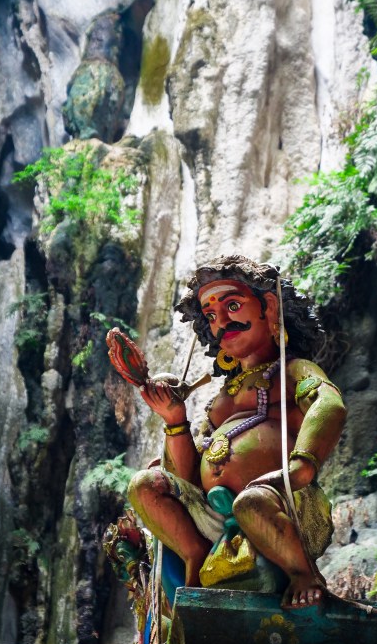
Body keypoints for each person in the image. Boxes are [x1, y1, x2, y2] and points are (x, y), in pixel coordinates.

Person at [126, 255, 346, 608]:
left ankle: (303, 573)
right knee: (144, 484)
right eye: (211, 315)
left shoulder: (292, 370)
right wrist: (174, 419)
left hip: (278, 501)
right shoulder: (220, 398)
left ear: (269, 308)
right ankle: (194, 553)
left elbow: (329, 405)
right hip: (213, 510)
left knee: (251, 501)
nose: (221, 321)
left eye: (232, 305)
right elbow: (188, 476)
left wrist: (302, 467)